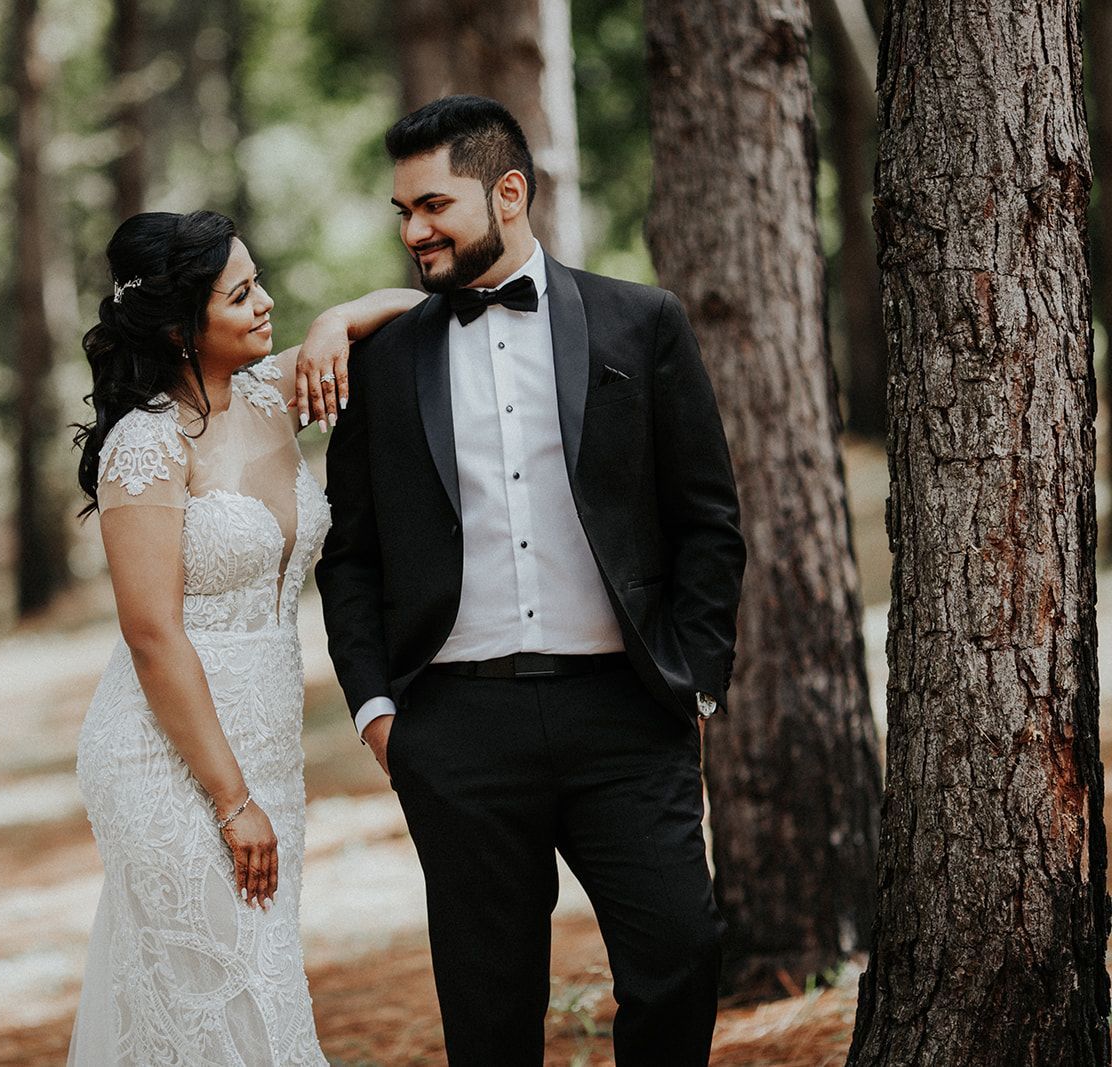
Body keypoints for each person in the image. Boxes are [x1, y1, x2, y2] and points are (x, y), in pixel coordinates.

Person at [315, 95, 746, 1065]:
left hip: (626, 714)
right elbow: (351, 556)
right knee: (488, 1004)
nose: (413, 230)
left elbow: (706, 521)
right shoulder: (381, 361)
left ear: (507, 193)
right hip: (455, 730)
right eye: (402, 212)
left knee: (678, 953)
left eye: (432, 205)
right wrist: (379, 708)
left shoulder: (642, 323)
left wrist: (697, 679)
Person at [67, 209, 422, 1066]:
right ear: (179, 326)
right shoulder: (144, 446)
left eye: (258, 281)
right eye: (240, 293)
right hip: (170, 759)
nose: (266, 304)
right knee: (225, 1009)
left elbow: (415, 306)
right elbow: (152, 636)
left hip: (268, 749)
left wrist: (335, 320)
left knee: (257, 985)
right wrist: (231, 801)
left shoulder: (272, 395)